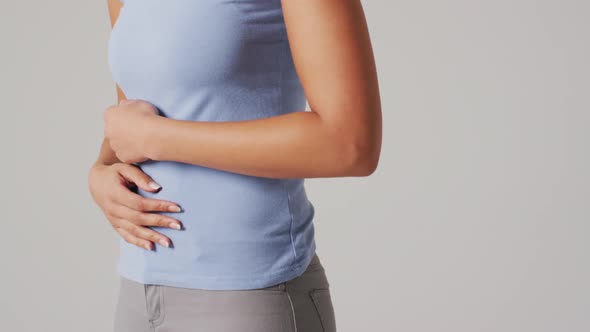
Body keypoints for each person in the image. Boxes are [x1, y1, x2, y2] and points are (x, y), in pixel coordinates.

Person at [87, 0, 382, 331]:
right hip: (138, 292)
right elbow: (131, 116)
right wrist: (101, 171)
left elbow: (349, 143)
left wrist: (158, 138)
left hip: (249, 295)